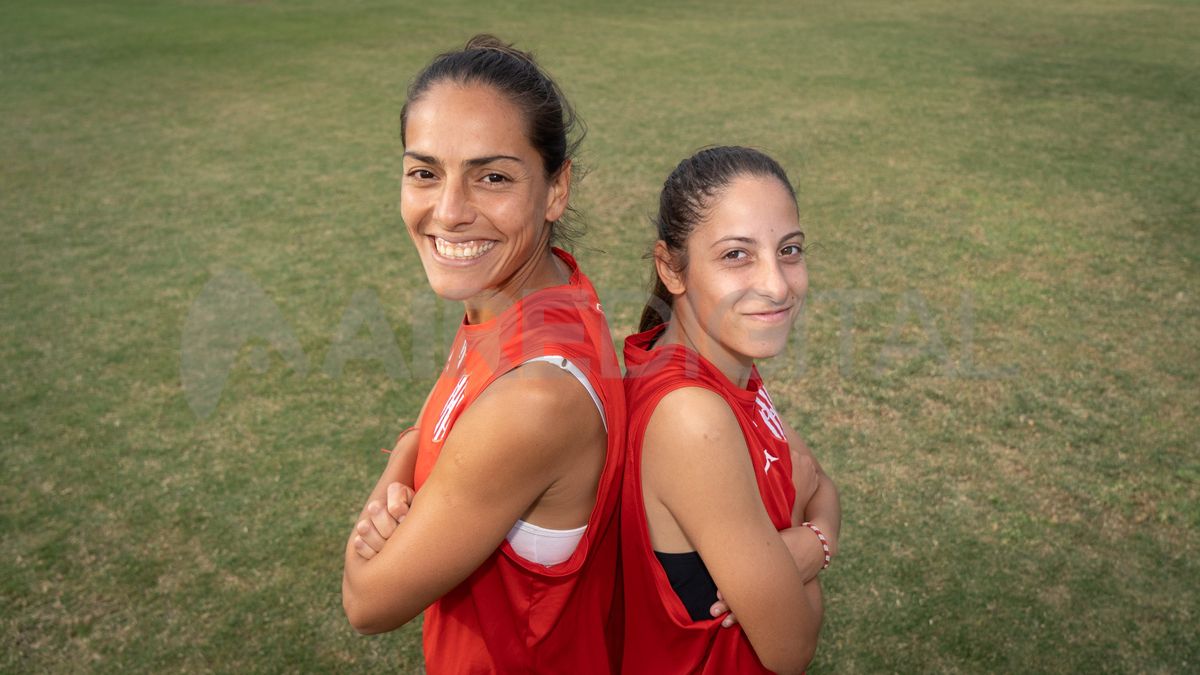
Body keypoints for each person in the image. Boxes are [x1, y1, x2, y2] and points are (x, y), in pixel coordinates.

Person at [341, 35, 626, 674]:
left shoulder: (534, 399)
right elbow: (439, 422)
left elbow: (367, 602)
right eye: (425, 172)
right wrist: (414, 456)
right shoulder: (532, 291)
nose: (449, 211)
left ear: (556, 190)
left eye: (491, 177)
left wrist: (381, 510)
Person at [620, 146, 841, 674]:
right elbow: (792, 648)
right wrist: (811, 528)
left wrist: (813, 545)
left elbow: (823, 487)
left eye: (789, 250)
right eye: (736, 255)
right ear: (671, 269)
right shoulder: (691, 416)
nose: (777, 284)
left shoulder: (721, 362)